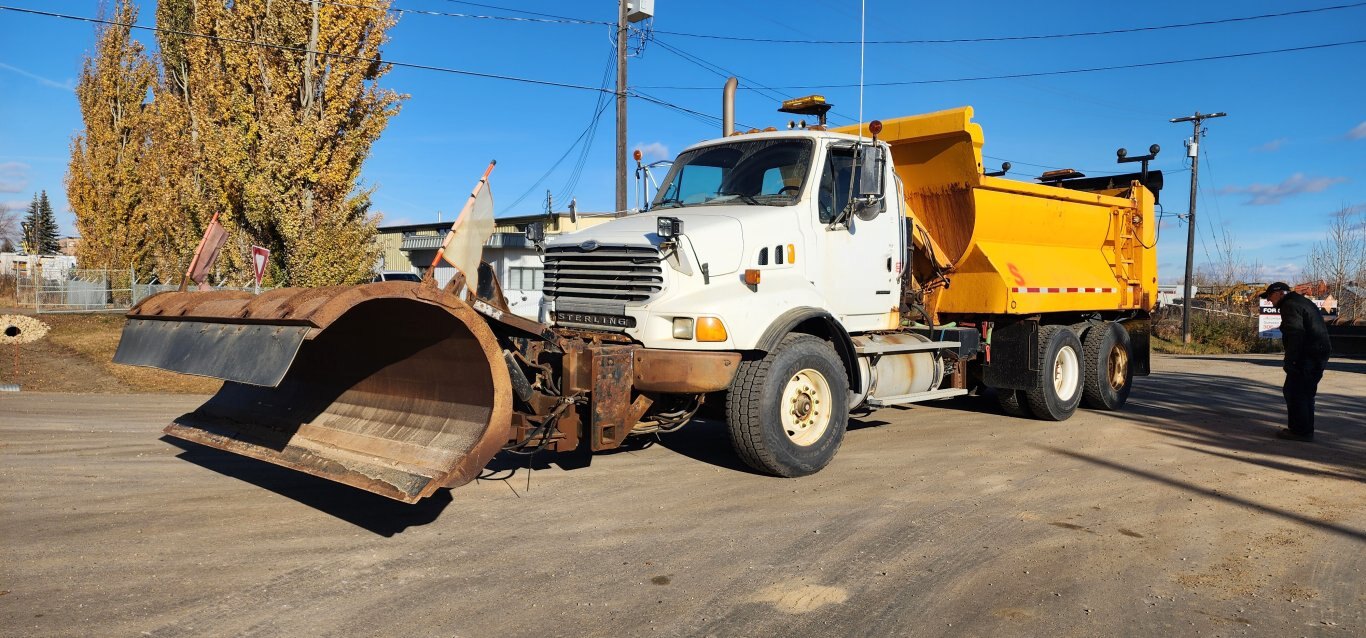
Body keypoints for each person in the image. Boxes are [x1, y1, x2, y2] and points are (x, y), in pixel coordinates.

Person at [1260, 282, 1331, 441]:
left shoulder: (1290, 305)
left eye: (1269, 296)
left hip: (1308, 354)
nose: (1269, 301)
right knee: (1305, 392)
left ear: (1279, 293)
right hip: (1317, 351)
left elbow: (1295, 335)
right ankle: (1304, 430)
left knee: (1295, 391)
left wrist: (1291, 361)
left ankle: (1300, 432)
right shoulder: (1299, 301)